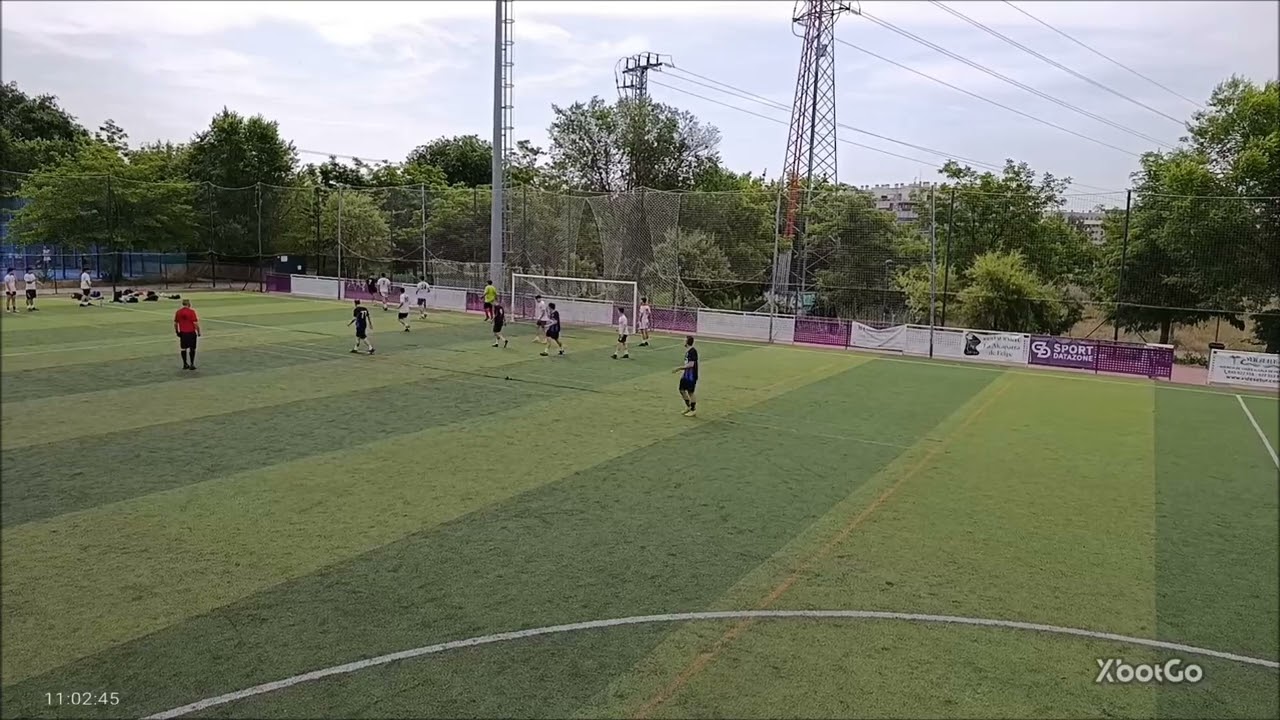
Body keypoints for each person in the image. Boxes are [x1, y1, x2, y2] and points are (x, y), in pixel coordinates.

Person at [673, 335, 698, 417]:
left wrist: (679, 368)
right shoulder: (688, 351)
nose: (683, 341)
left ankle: (693, 410)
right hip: (686, 375)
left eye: (684, 340)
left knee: (690, 392)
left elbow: (691, 364)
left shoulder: (692, 351)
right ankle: (688, 406)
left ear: (687, 342)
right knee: (681, 390)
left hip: (691, 375)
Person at [173, 298, 201, 370]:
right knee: (192, 349)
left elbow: (175, 324)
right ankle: (192, 364)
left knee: (183, 349)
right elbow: (195, 323)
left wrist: (177, 332)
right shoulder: (192, 312)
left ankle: (185, 364)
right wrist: (199, 332)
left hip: (183, 333)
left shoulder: (178, 312)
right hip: (191, 332)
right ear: (189, 304)